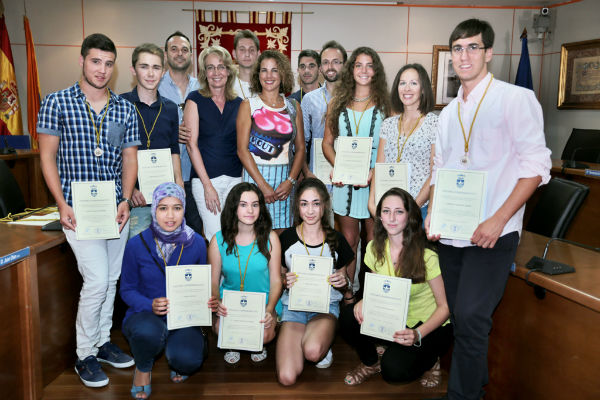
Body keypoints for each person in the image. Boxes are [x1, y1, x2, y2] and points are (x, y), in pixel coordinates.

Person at [426, 19, 551, 400]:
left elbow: (537, 168)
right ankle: (476, 386)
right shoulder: (447, 114)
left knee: (474, 319)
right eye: (458, 49)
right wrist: (433, 214)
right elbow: (440, 171)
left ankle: (461, 396)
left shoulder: (516, 99)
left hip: (492, 235)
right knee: (462, 317)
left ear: (489, 52)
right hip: (451, 233)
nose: (464, 55)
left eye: (472, 47)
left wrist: (498, 220)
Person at [37, 33, 137, 388]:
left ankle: (103, 341)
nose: (102, 70)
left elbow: (129, 158)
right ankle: (85, 354)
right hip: (77, 210)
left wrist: (126, 199)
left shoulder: (124, 108)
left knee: (110, 279)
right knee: (95, 280)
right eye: (96, 61)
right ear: (82, 60)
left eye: (109, 64)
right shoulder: (56, 102)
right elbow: (47, 157)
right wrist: (61, 204)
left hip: (113, 210)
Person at [339, 188, 452, 386]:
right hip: (393, 319)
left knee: (393, 372)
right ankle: (371, 363)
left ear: (409, 216)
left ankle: (430, 360)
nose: (391, 217)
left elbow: (445, 307)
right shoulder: (374, 248)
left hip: (426, 325)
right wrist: (364, 301)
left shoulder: (427, 255)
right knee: (349, 316)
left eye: (399, 211)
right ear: (379, 216)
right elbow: (377, 289)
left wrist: (418, 334)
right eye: (386, 211)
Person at [120, 182, 209, 399]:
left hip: (183, 317)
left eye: (177, 208)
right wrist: (148, 304)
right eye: (163, 208)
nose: (170, 215)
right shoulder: (136, 244)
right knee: (147, 332)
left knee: (188, 360)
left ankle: (176, 349)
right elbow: (127, 289)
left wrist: (208, 301)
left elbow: (201, 285)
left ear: (184, 209)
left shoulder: (196, 242)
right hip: (145, 315)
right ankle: (143, 367)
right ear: (154, 211)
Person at [322, 46, 390, 301]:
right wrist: (340, 166)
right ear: (351, 70)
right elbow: (327, 143)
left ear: (376, 71)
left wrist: (375, 170)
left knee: (374, 244)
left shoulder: (386, 104)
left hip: (375, 181)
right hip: (345, 182)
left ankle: (371, 299)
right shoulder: (336, 103)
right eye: (358, 65)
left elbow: (392, 143)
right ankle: (348, 294)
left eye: (369, 65)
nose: (363, 70)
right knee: (348, 241)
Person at [276, 178, 354, 384]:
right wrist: (285, 280)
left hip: (325, 307)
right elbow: (280, 276)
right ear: (297, 207)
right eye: (304, 204)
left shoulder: (336, 239)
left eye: (315, 203)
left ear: (324, 206)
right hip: (294, 307)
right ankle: (304, 339)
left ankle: (319, 342)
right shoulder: (287, 238)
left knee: (312, 352)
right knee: (286, 377)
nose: (310, 211)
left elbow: (346, 282)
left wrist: (342, 281)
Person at [208, 182, 282, 364]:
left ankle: (256, 342)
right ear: (234, 208)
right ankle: (235, 343)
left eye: (255, 204)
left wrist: (270, 309)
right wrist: (217, 302)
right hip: (230, 304)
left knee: (265, 336)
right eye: (243, 205)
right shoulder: (217, 240)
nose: (250, 210)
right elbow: (213, 281)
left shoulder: (271, 238)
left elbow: (276, 281)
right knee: (218, 328)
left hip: (263, 302)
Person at [236, 50, 306, 233]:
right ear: (257, 75)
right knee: (254, 236)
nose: (269, 76)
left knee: (280, 240)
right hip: (255, 178)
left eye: (274, 70)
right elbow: (242, 150)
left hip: (284, 182)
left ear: (282, 74)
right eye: (264, 70)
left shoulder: (293, 106)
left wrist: (290, 180)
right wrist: (263, 185)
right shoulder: (248, 105)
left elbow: (300, 149)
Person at [121, 43, 182, 238]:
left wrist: (179, 181)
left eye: (156, 67)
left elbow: (174, 149)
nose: (150, 73)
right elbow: (114, 153)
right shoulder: (120, 105)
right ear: (133, 70)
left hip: (165, 198)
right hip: (133, 200)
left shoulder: (171, 108)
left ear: (163, 72)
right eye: (144, 66)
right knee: (138, 254)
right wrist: (131, 189)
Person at [184, 45, 243, 241]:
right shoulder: (194, 100)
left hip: (235, 179)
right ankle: (215, 273)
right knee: (216, 237)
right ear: (204, 72)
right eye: (210, 67)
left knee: (235, 234)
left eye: (221, 67)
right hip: (206, 181)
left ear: (228, 70)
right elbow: (191, 145)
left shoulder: (240, 103)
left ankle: (233, 273)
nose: (216, 72)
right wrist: (207, 186)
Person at [368, 63, 437, 220]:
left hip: (418, 210)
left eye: (414, 83)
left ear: (423, 89)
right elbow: (379, 167)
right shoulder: (388, 124)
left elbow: (435, 173)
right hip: (388, 210)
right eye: (402, 83)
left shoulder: (434, 123)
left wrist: (410, 209)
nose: (407, 88)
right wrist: (371, 203)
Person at [158, 31, 203, 234]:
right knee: (165, 236)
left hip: (197, 177)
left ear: (191, 56)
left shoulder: (202, 87)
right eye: (174, 49)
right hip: (164, 176)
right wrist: (169, 134)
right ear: (165, 54)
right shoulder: (154, 85)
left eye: (185, 50)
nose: (179, 54)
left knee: (195, 236)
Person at [301, 41, 347, 183]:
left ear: (345, 66)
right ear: (320, 68)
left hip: (348, 172)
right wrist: (306, 171)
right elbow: (301, 142)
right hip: (318, 175)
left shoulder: (355, 99)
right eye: (326, 62)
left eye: (336, 62)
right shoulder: (309, 99)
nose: (330, 67)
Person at [232, 29, 260, 99]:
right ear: (234, 54)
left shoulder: (268, 83)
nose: (247, 54)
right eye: (242, 49)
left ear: (258, 54)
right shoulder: (227, 85)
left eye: (251, 50)